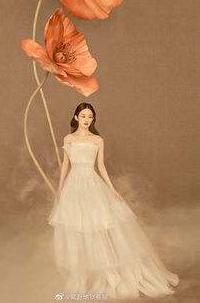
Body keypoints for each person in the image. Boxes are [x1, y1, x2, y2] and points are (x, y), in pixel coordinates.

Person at [48, 103, 179, 300]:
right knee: (78, 228)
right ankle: (82, 276)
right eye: (83, 115)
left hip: (92, 183)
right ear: (75, 117)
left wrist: (111, 188)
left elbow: (100, 166)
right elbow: (65, 165)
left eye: (90, 116)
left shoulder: (98, 140)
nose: (86, 119)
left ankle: (109, 273)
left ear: (93, 120)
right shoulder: (68, 139)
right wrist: (59, 190)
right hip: (73, 187)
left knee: (99, 226)